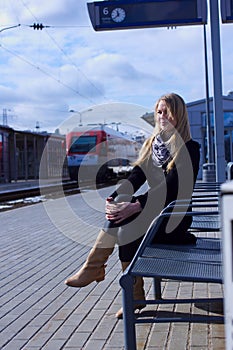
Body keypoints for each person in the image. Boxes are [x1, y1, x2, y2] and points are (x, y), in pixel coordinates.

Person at [64, 92, 200, 319]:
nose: (161, 116)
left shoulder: (190, 148)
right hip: (151, 215)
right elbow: (136, 176)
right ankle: (113, 281)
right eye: (158, 112)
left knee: (127, 225)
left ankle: (107, 276)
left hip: (173, 220)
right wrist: (116, 197)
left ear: (178, 115)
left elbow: (174, 187)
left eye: (166, 111)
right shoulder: (152, 145)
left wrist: (137, 205)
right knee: (121, 217)